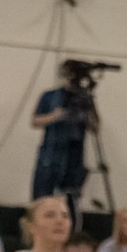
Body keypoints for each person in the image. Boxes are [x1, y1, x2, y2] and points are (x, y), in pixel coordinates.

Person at [29, 63, 93, 204]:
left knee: (71, 202)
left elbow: (95, 127)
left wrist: (87, 112)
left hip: (74, 157)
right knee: (41, 199)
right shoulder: (50, 96)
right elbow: (34, 121)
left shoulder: (85, 99)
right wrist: (55, 116)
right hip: (50, 155)